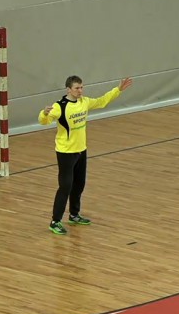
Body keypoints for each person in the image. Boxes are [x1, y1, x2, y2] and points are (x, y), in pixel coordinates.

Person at [39, 75, 133, 235]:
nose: (80, 91)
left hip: (81, 150)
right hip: (65, 152)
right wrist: (44, 113)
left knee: (79, 184)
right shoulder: (59, 106)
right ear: (68, 89)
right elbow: (44, 121)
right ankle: (55, 221)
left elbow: (102, 101)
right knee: (65, 186)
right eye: (77, 88)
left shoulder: (84, 102)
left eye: (81, 87)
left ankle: (74, 215)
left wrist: (118, 90)